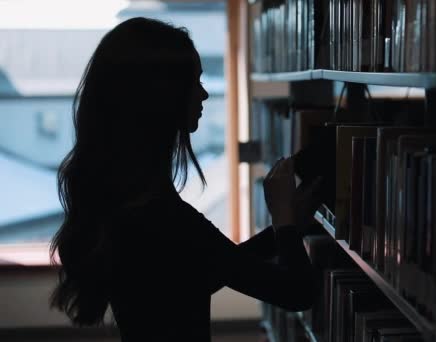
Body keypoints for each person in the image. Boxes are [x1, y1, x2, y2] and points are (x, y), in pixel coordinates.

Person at [50, 17, 320, 341]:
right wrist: (286, 226)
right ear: (162, 96)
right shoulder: (163, 218)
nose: (204, 94)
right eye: (194, 82)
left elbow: (213, 265)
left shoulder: (129, 203)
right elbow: (298, 293)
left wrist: (284, 227)